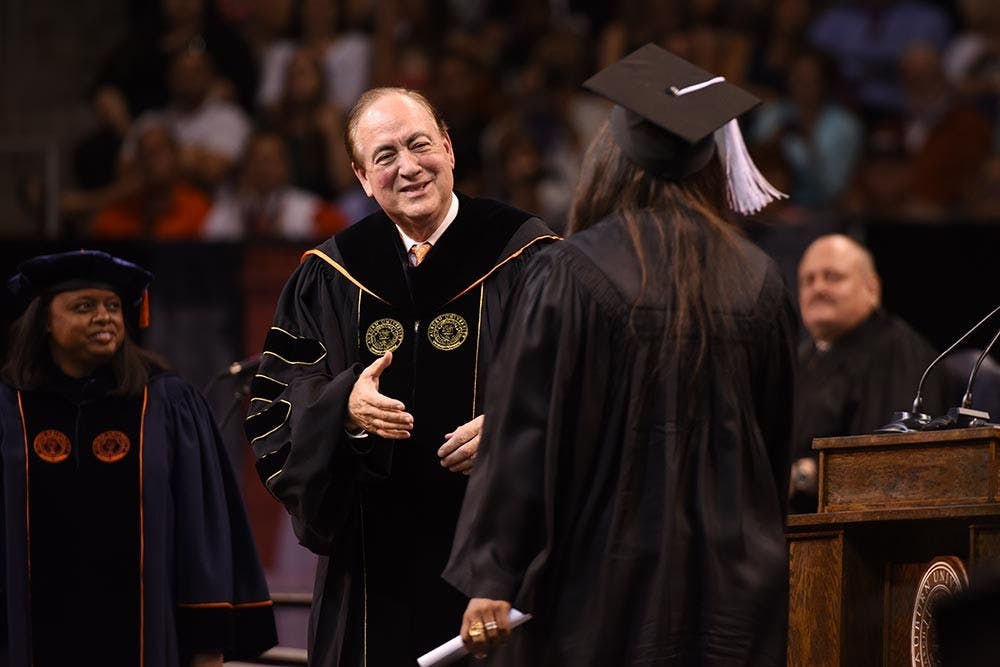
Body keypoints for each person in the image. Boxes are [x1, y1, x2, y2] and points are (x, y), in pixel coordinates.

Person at [444, 44, 797, 665]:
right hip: (734, 594)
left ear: (613, 161)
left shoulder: (572, 272)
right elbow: (773, 447)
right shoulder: (761, 282)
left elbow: (527, 431)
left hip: (601, 592)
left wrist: (492, 576)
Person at [244, 87, 557, 665]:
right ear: (363, 178)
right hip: (370, 576)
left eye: (419, 145)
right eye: (385, 156)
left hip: (502, 568)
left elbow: (584, 385)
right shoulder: (331, 276)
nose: (408, 167)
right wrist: (343, 408)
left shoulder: (528, 255)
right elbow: (275, 407)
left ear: (450, 149)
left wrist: (515, 429)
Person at [0, 250, 277, 666]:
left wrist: (208, 648)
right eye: (83, 306)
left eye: (112, 306)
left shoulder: (165, 405)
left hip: (149, 642)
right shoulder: (9, 410)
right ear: (43, 322)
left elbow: (201, 538)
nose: (104, 317)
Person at [789, 234, 950, 513]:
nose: (818, 288)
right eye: (808, 280)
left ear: (872, 288)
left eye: (833, 277)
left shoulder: (898, 351)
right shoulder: (802, 357)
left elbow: (891, 467)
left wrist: (806, 475)